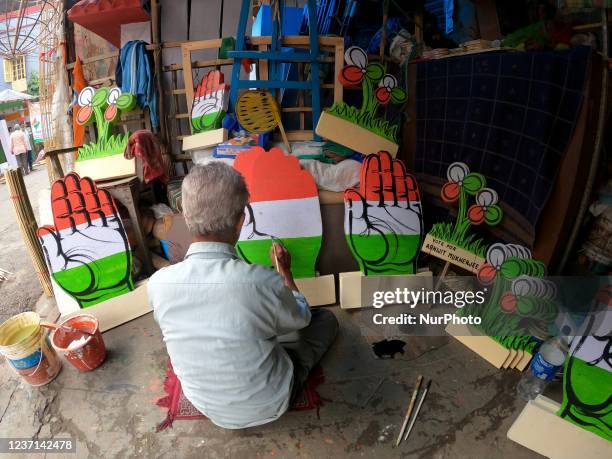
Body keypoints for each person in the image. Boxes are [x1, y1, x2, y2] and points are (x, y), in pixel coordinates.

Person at [148, 162, 338, 429]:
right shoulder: (262, 281)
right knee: (324, 320)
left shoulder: (158, 284)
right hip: (271, 402)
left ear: (184, 213)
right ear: (241, 222)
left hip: (208, 406)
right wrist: (285, 273)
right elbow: (302, 317)